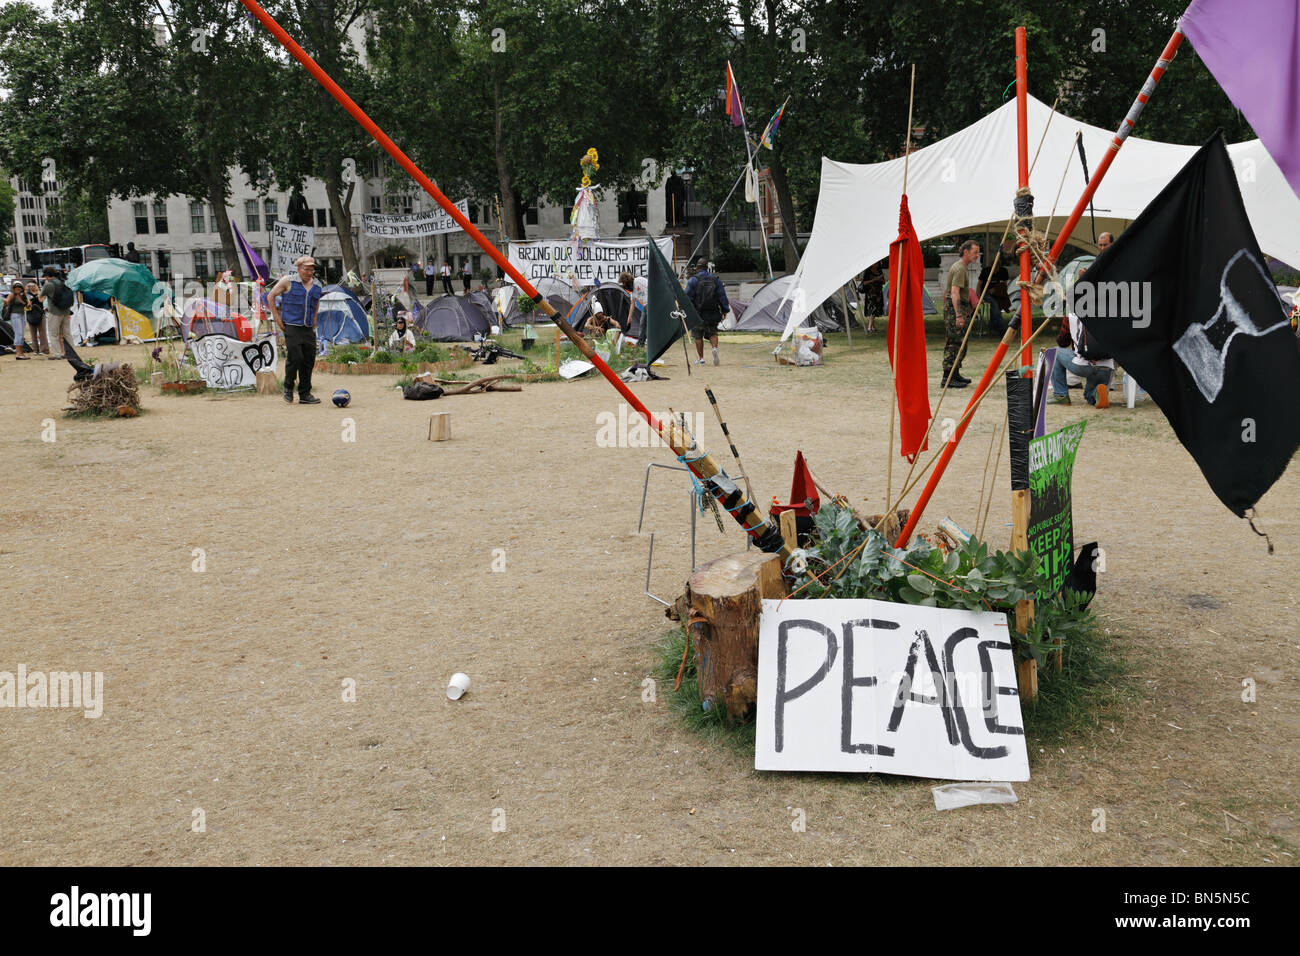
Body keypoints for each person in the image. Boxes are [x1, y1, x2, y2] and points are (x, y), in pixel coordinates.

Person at [1048, 276, 1114, 407]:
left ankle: (1061, 395)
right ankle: (1097, 393)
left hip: (1083, 364)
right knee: (1089, 397)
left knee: (1054, 352)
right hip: (1107, 366)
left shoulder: (1071, 315)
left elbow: (1062, 342)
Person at [267, 255, 324, 404]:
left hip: (308, 327)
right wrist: (277, 318)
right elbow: (271, 296)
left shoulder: (317, 285)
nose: (309, 272)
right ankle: (288, 387)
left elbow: (316, 302)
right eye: (306, 269)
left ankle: (305, 394)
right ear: (299, 269)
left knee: (309, 360)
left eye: (312, 270)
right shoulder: (288, 281)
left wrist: (315, 319)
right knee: (296, 357)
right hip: (291, 325)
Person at [943, 241, 980, 387]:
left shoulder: (963, 268)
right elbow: (954, 292)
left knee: (961, 343)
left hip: (960, 309)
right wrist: (958, 315)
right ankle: (947, 378)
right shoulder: (959, 268)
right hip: (954, 310)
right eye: (975, 252)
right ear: (966, 252)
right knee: (954, 343)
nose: (977, 255)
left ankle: (955, 374)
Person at [685, 260, 728, 366]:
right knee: (713, 333)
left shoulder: (693, 280)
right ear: (707, 268)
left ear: (698, 268)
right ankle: (714, 349)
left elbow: (687, 297)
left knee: (698, 336)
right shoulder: (716, 280)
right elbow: (722, 296)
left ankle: (701, 359)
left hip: (697, 312)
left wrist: (687, 311)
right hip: (713, 311)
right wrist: (724, 310)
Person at [979, 236, 1015, 337]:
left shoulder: (1003, 271)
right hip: (986, 293)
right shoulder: (986, 271)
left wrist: (999, 291)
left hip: (998, 293)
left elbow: (1005, 284)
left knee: (996, 307)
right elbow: (980, 284)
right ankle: (1002, 330)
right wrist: (979, 296)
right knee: (994, 305)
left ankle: (992, 326)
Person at [40, 267, 73, 360]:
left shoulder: (48, 284)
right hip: (66, 311)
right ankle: (71, 353)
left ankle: (57, 354)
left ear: (46, 276)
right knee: (67, 333)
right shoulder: (62, 282)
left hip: (54, 312)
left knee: (53, 334)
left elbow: (40, 297)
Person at [858, 261, 884, 332]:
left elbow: (883, 282)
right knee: (872, 309)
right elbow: (864, 282)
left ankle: (872, 326)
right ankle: (869, 327)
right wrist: (874, 280)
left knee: (876, 309)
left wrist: (880, 279)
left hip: (878, 292)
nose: (876, 264)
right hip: (871, 293)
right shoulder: (868, 272)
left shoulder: (879, 271)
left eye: (877, 263)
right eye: (874, 263)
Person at [5, 281, 29, 358]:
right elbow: (6, 303)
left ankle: (21, 353)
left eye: (19, 287)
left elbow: (28, 306)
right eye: (16, 287)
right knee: (18, 334)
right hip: (15, 315)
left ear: (22, 288)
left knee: (21, 335)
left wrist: (28, 303)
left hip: (22, 315)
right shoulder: (12, 295)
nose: (17, 289)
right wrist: (5, 301)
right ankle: (18, 354)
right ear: (13, 288)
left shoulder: (23, 296)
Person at [24, 281, 47, 355]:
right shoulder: (26, 295)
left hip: (40, 314)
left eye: (33, 285)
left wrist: (37, 293)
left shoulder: (40, 293)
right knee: (33, 333)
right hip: (30, 315)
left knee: (42, 333)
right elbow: (26, 305)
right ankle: (35, 350)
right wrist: (26, 290)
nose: (32, 286)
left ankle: (44, 350)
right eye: (30, 285)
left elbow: (41, 300)